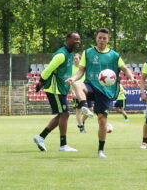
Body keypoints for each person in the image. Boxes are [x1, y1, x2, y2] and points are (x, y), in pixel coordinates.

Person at [66, 28, 135, 158]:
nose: (102, 40)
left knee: (102, 121)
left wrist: (131, 78)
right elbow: (81, 71)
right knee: (76, 84)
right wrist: (73, 78)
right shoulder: (88, 52)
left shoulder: (114, 55)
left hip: (105, 91)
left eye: (104, 38)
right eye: (100, 38)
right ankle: (85, 106)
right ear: (96, 38)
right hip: (91, 85)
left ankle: (100, 150)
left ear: (108, 40)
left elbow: (125, 68)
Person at [33, 31, 83, 152]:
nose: (78, 41)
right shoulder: (61, 55)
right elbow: (47, 70)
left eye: (79, 39)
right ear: (68, 40)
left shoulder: (70, 54)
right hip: (55, 89)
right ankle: (62, 145)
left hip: (61, 88)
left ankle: (41, 137)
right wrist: (40, 83)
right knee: (64, 114)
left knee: (62, 114)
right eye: (75, 39)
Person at [71, 53, 94, 133]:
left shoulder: (83, 68)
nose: (75, 60)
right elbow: (70, 82)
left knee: (90, 109)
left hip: (85, 90)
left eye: (76, 58)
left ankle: (82, 122)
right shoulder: (71, 69)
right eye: (74, 58)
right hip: (77, 92)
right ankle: (81, 126)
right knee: (78, 110)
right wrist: (73, 92)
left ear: (80, 60)